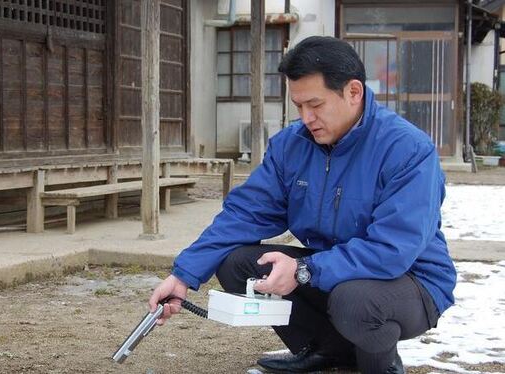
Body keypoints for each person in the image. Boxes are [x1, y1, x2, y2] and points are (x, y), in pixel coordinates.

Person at [148, 36, 456, 374]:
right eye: (298, 106)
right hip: (334, 272)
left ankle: (379, 365)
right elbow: (244, 214)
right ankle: (329, 352)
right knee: (236, 263)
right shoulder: (291, 146)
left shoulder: (408, 150)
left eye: (316, 104)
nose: (306, 117)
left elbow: (393, 249)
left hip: (411, 280)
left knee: (354, 301)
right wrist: (183, 275)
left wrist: (305, 271)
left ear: (354, 92)